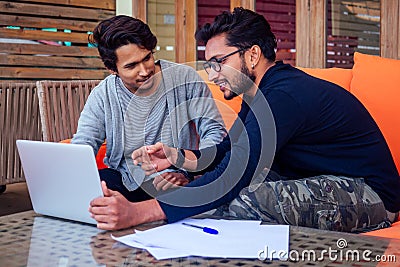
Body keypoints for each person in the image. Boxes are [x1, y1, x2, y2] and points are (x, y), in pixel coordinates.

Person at [91, 8, 400, 232]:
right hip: (325, 182)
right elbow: (228, 152)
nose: (212, 75)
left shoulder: (284, 96)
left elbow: (234, 174)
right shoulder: (260, 94)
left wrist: (138, 213)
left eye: (218, 63)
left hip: (372, 197)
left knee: (244, 199)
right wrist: (179, 157)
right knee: (217, 192)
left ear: (252, 55)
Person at [72, 15, 226, 209]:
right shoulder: (103, 95)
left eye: (147, 58)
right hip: (125, 181)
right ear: (112, 69)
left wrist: (189, 172)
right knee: (99, 186)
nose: (144, 71)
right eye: (131, 66)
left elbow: (214, 131)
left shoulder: (184, 78)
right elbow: (83, 145)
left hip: (175, 179)